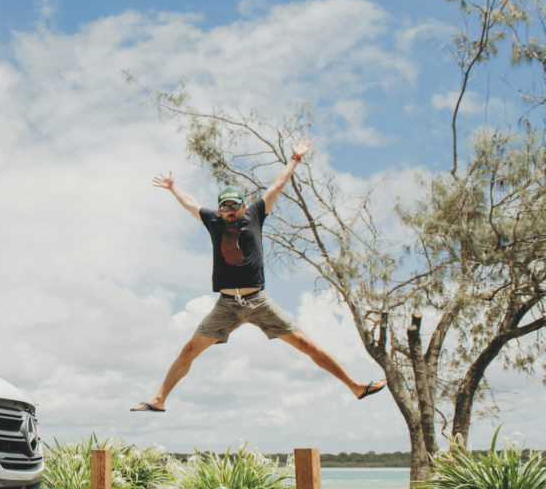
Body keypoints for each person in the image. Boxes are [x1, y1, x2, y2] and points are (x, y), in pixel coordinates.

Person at [131, 138, 385, 412]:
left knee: (305, 343)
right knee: (189, 349)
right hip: (227, 306)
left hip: (259, 301)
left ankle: (356, 386)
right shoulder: (213, 222)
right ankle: (159, 399)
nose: (230, 211)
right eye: (225, 207)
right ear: (219, 209)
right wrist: (172, 188)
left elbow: (277, 186)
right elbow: (190, 203)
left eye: (234, 206)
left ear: (242, 206)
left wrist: (294, 159)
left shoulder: (254, 215)